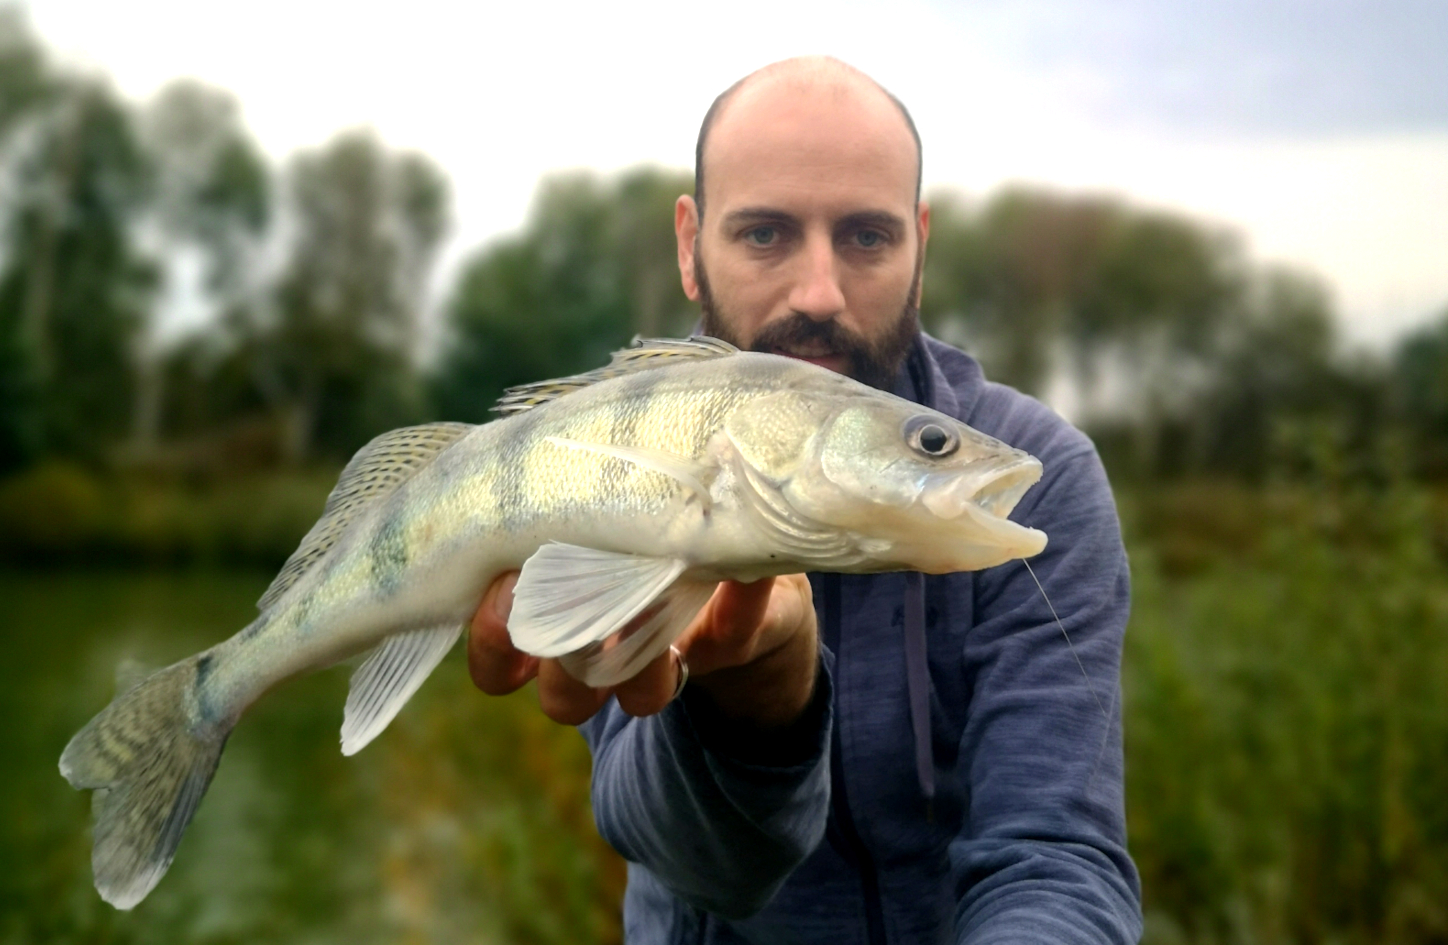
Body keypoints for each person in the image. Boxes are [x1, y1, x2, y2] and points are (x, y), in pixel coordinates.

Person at [466, 56, 1142, 944]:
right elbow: (686, 858)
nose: (819, 291)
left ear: (920, 243)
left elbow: (1056, 857)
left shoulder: (1042, 475)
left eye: (866, 236)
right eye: (764, 234)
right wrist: (754, 709)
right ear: (689, 245)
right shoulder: (612, 448)